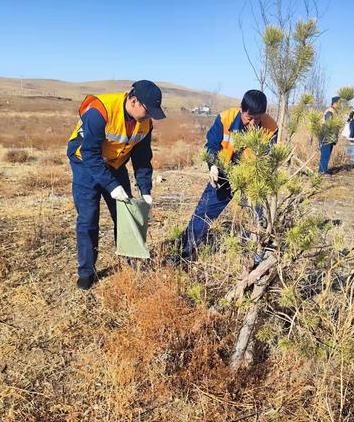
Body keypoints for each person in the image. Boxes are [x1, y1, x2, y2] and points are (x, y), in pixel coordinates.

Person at [67, 80, 166, 289]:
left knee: (125, 214)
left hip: (114, 162)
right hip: (85, 162)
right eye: (147, 111)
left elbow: (141, 158)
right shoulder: (100, 111)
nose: (149, 117)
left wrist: (146, 189)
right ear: (133, 100)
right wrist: (112, 186)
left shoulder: (145, 123)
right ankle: (86, 272)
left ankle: (129, 261)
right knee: (88, 217)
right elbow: (90, 154)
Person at [173, 90, 277, 262]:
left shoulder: (270, 127)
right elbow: (212, 146)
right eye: (249, 118)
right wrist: (213, 165)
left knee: (259, 219)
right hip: (224, 174)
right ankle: (183, 253)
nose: (253, 123)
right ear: (241, 109)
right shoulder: (225, 118)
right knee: (203, 213)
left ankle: (257, 259)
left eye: (258, 118)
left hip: (253, 179)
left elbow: (270, 157)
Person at [318, 96, 341, 173]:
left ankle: (323, 170)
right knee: (325, 155)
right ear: (335, 103)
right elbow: (328, 124)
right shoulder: (330, 111)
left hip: (330, 137)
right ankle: (322, 172)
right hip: (326, 136)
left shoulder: (334, 111)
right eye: (339, 103)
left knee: (327, 155)